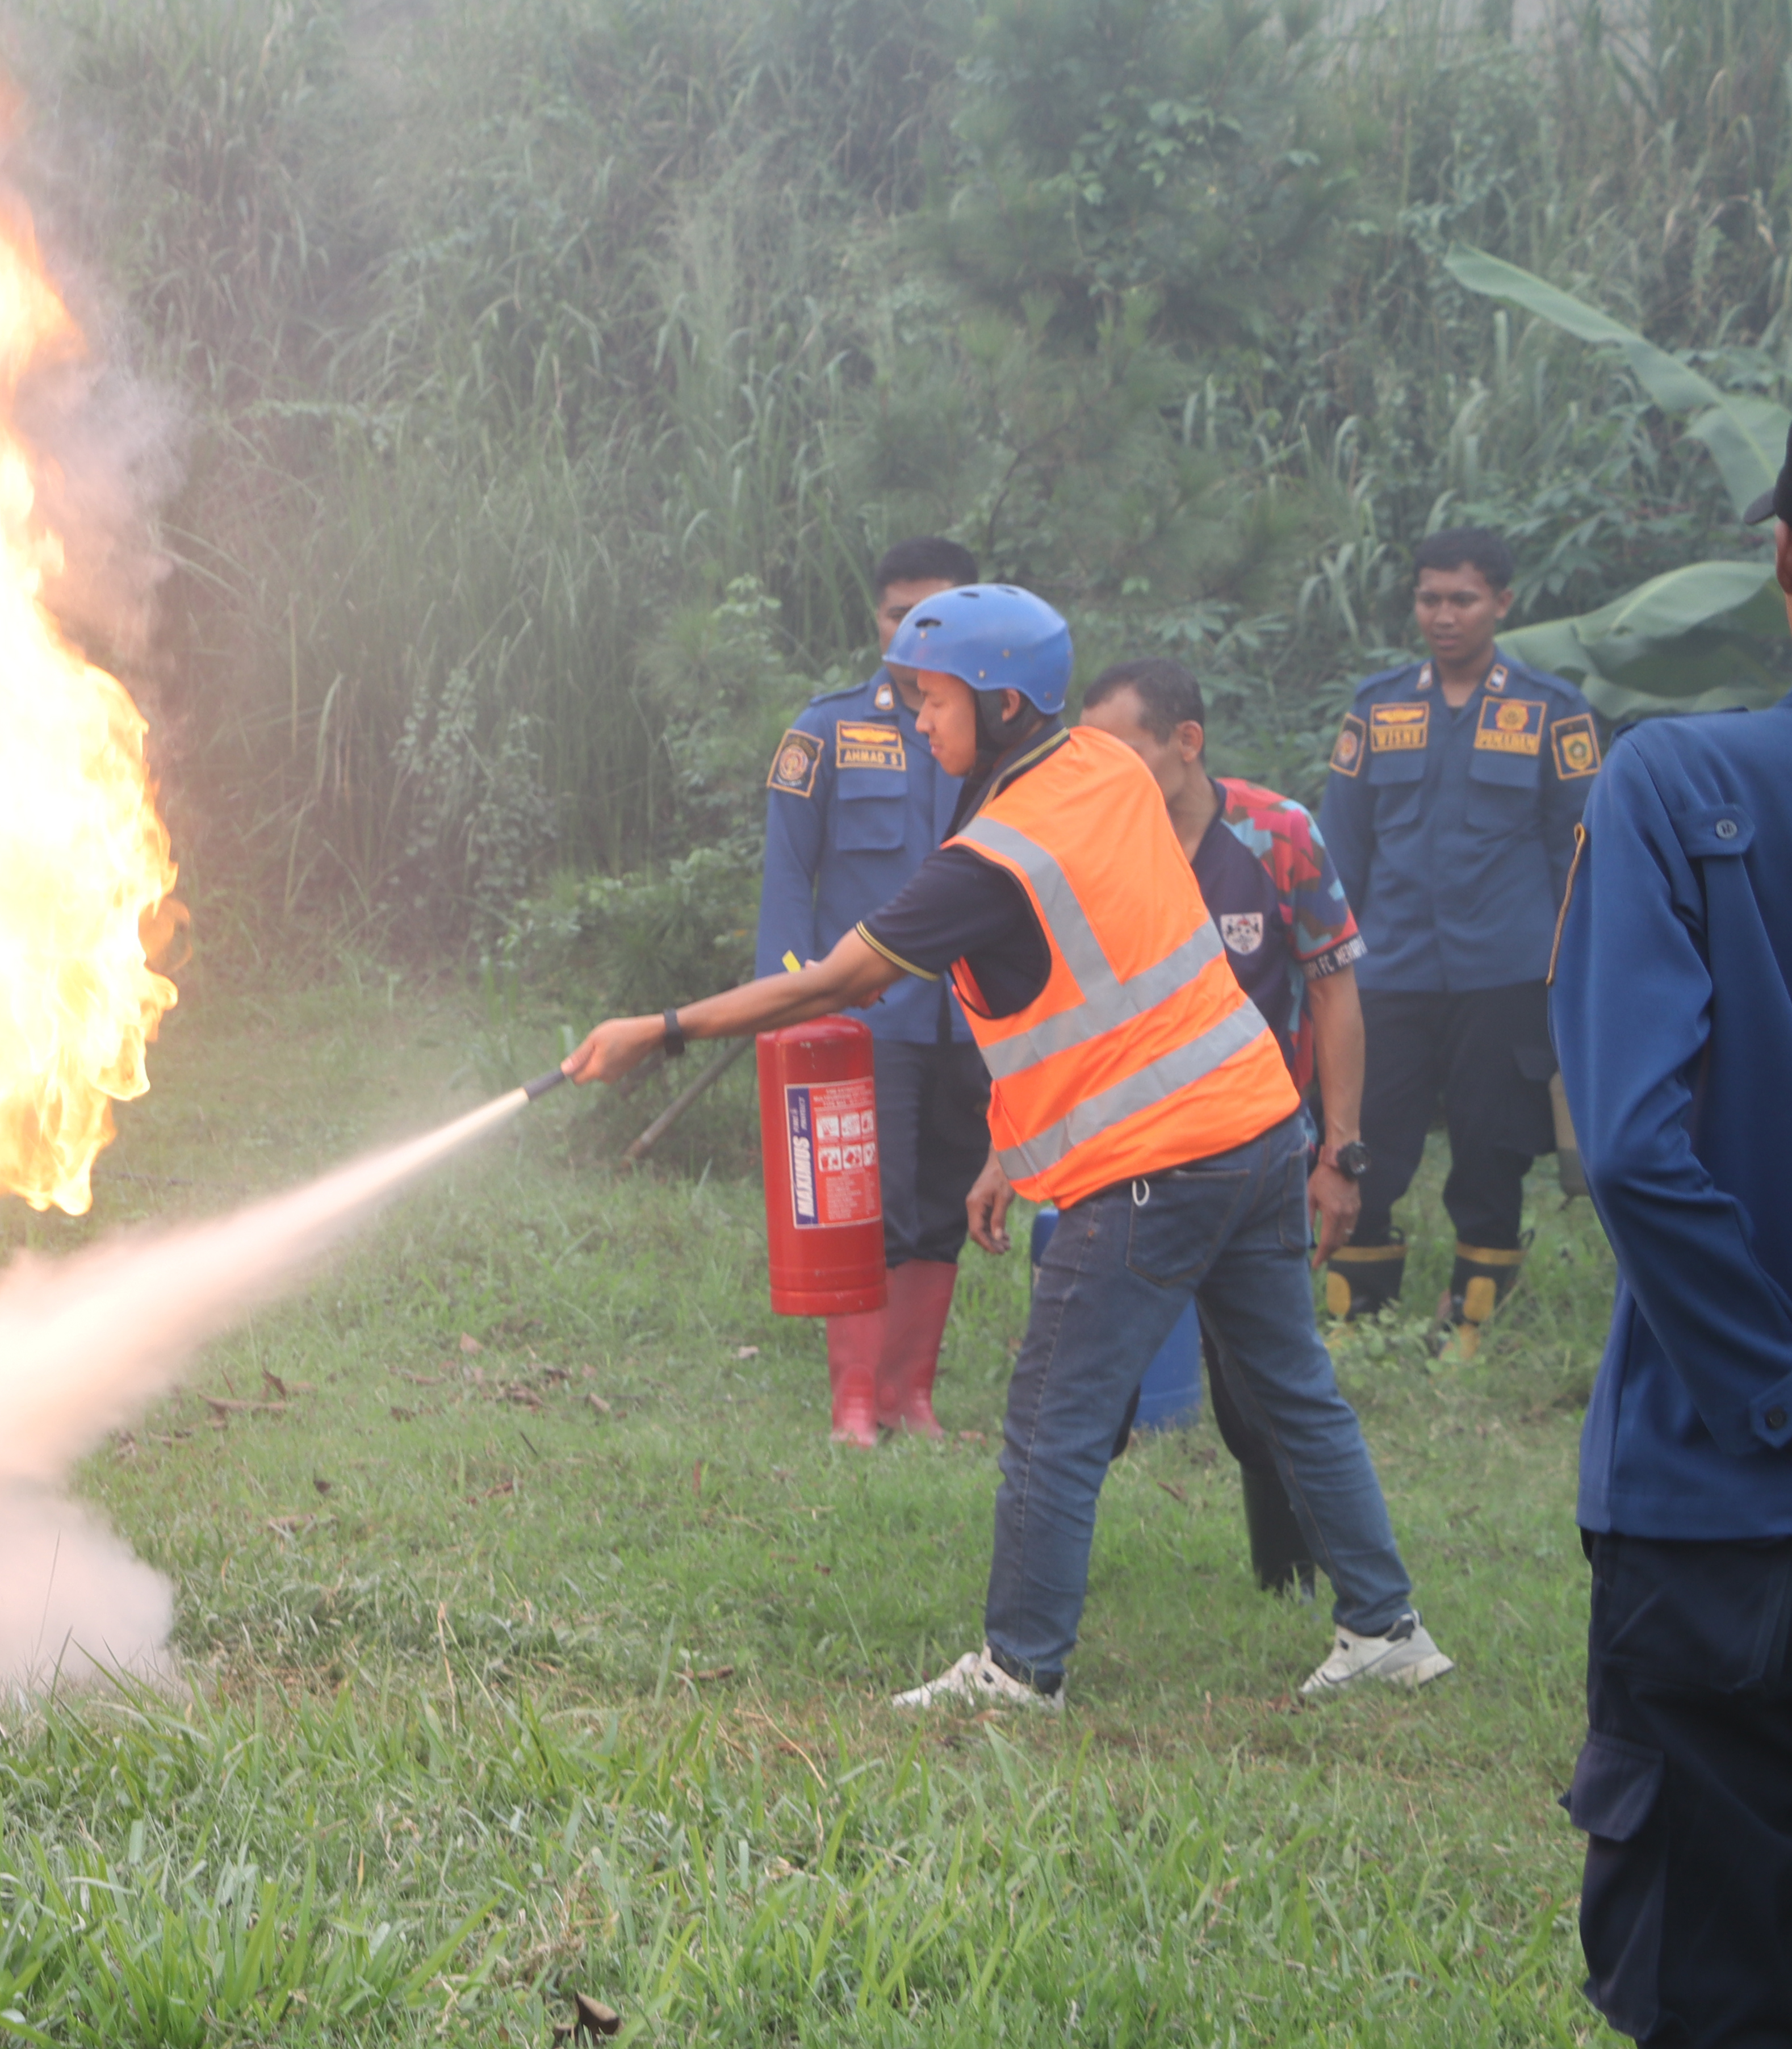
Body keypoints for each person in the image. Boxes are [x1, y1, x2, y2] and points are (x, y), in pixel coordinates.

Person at [562, 585, 1449, 1708]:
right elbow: (1081, 981)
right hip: (1257, 1127)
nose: (917, 724)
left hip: (1149, 1164)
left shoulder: (997, 850)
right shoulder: (1103, 769)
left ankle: (1018, 1668)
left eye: (931, 701)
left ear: (1004, 703)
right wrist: (1002, 1145)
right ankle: (1385, 1628)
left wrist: (663, 1028)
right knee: (1293, 1390)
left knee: (1050, 1423)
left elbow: (842, 978)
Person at [1554, 396, 1792, 2049]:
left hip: (1713, 1510)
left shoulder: (1675, 784)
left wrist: (1787, 1391)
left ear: (1787, 557)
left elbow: (1638, 1152)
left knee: (1713, 1993)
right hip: (1714, 1500)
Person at [1078, 659, 1368, 1596]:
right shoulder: (1098, 841)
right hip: (1130, 1154)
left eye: (1122, 748)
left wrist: (1341, 1153)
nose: (1103, 770)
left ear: (1186, 742)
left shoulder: (1278, 834)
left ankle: (1294, 1580)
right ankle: (1051, 1597)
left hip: (1261, 1152)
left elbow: (1332, 990)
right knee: (1085, 1383)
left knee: (1262, 1385)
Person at [1322, 527, 1601, 1354]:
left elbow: (1578, 857)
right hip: (1391, 975)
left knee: (1492, 1146)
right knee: (1368, 1138)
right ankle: (1357, 1318)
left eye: (1464, 599)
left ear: (1503, 603)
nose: (1444, 616)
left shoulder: (1552, 713)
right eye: (1430, 598)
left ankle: (1474, 1318)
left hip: (1504, 974)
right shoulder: (1377, 710)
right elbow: (1341, 854)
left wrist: (1573, 973)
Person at [755, 537, 992, 1444]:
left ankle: (910, 1396)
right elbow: (786, 887)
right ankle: (855, 1401)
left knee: (941, 1204)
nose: (918, 632)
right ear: (878, 617)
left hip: (972, 1019)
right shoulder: (826, 731)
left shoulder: (995, 737)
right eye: (902, 614)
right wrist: (790, 1012)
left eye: (941, 616)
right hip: (862, 1019)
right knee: (860, 1206)